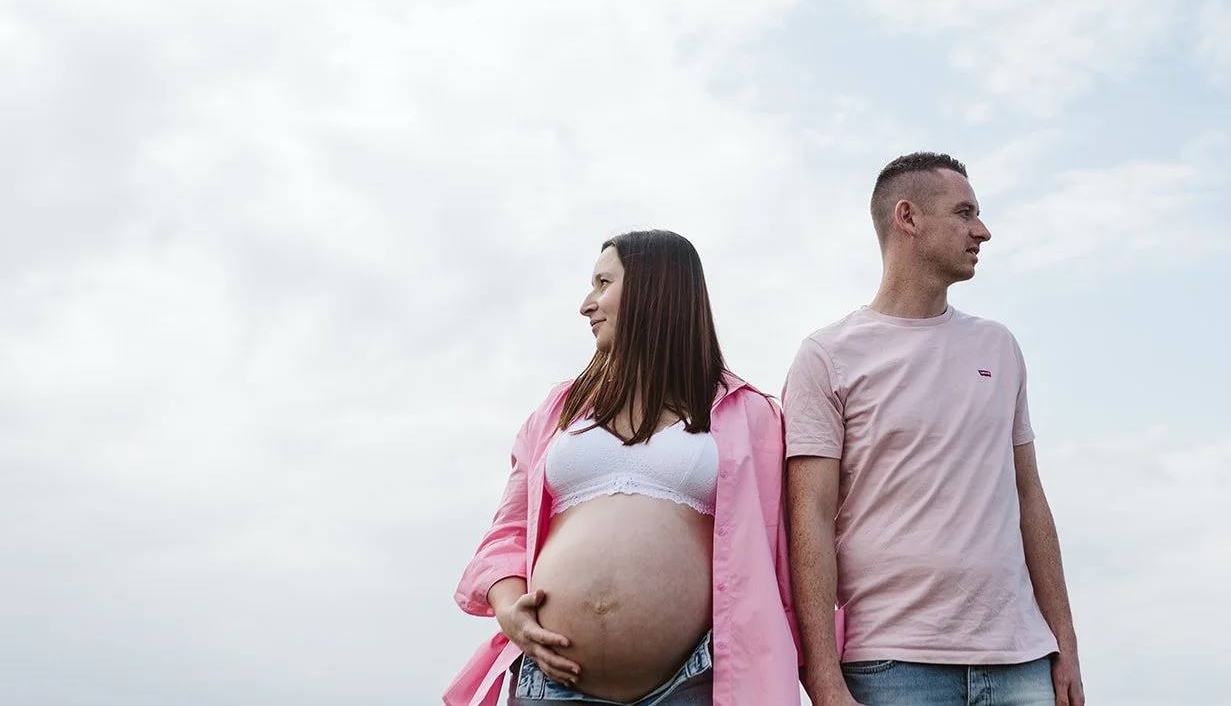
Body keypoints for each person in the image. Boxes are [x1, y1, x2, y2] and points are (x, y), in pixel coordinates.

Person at [444, 230, 799, 706]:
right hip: (552, 686)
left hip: (695, 684)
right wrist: (510, 612)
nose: (586, 304)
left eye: (603, 283)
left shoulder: (750, 416)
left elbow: (786, 548)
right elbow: (506, 535)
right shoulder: (558, 413)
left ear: (655, 289)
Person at [782, 152, 1086, 706]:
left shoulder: (1000, 347)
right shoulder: (827, 357)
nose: (983, 231)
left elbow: (1030, 498)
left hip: (1020, 662)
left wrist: (1064, 643)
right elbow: (808, 520)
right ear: (908, 217)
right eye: (965, 213)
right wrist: (823, 681)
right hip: (890, 664)